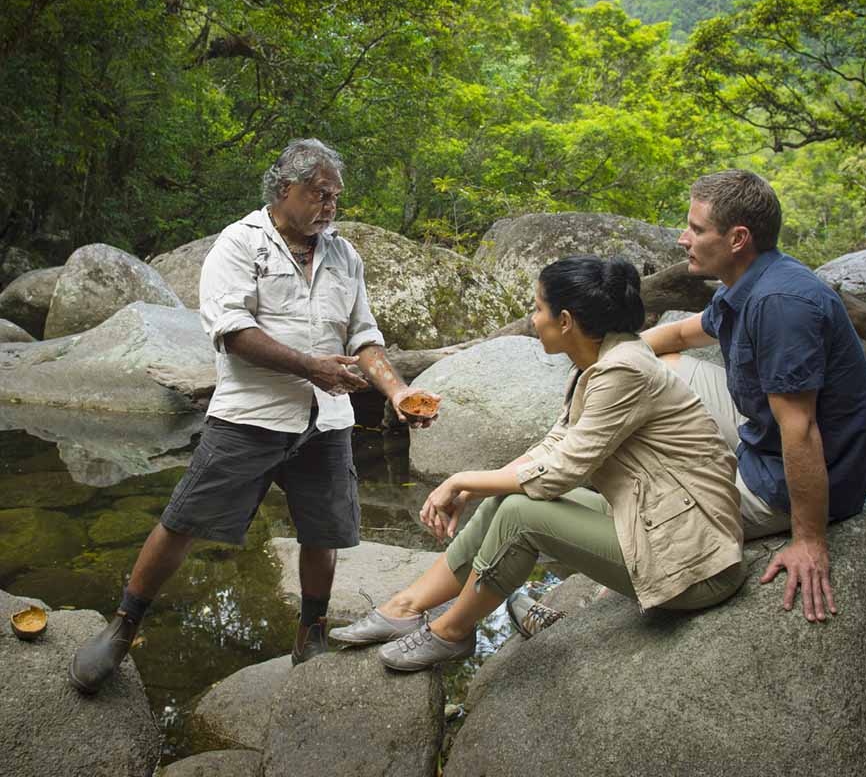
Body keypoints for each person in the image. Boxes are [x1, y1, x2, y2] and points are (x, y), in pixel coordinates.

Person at [68, 138, 438, 694]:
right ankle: (123, 627)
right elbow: (231, 331)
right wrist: (311, 367)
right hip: (250, 414)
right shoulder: (240, 245)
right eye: (320, 194)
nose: (330, 206)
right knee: (183, 519)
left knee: (324, 532)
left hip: (326, 420)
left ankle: (309, 632)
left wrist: (397, 390)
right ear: (284, 189)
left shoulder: (344, 256)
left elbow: (364, 335)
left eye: (335, 197)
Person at [329, 256, 746, 672]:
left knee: (520, 514)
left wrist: (460, 478)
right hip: (654, 519)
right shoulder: (603, 361)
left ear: (565, 320)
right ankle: (406, 605)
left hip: (693, 563)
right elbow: (559, 443)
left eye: (539, 308)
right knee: (498, 504)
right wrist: (476, 488)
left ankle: (452, 633)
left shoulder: (624, 371)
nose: (532, 319)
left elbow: (560, 472)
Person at [641, 169, 866, 624]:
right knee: (654, 367)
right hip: (763, 430)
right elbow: (678, 334)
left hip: (790, 476)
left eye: (695, 228)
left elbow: (802, 429)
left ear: (737, 238)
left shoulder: (780, 303)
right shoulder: (746, 283)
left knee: (655, 510)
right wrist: (607, 355)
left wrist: (809, 540)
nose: (681, 238)